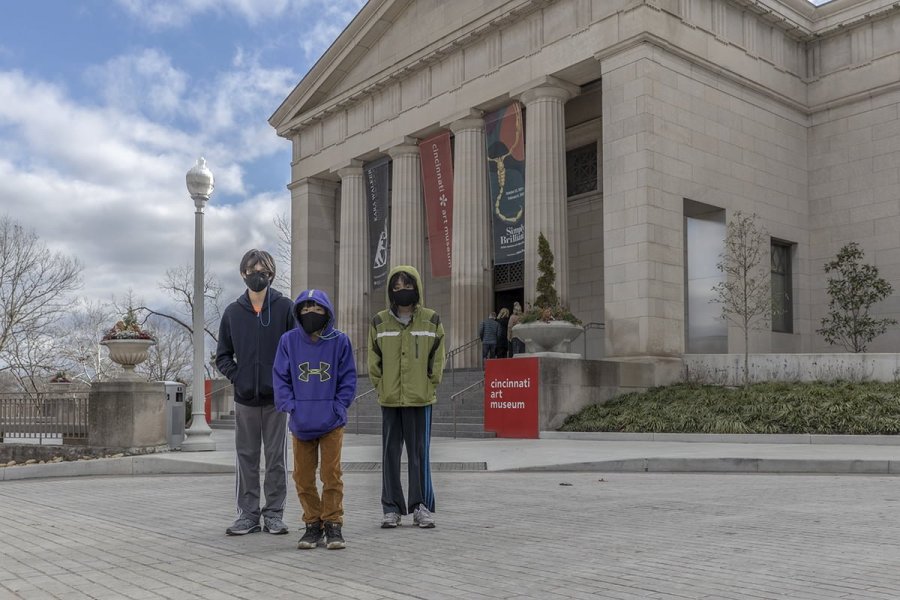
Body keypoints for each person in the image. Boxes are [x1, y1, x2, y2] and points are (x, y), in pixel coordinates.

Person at [216, 249, 295, 536]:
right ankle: (247, 515)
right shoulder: (233, 313)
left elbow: (295, 351)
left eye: (263, 270)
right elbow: (223, 355)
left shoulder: (286, 308)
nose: (257, 275)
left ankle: (274, 514)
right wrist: (240, 377)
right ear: (243, 273)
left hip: (276, 400)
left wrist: (284, 382)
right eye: (252, 270)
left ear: (271, 274)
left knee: (276, 459)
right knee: (246, 458)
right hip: (245, 400)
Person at [273, 290, 357, 550]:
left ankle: (333, 523)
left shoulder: (340, 341)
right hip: (301, 421)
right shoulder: (288, 341)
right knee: (303, 476)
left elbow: (348, 378)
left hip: (331, 420)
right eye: (305, 309)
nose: (311, 314)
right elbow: (281, 377)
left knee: (331, 474)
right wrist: (291, 406)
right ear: (298, 313)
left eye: (317, 309)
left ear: (327, 312)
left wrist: (339, 406)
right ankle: (312, 524)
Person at [368, 265, 445, 529]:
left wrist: (429, 384)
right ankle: (391, 508)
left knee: (418, 454)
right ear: (390, 291)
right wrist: (381, 386)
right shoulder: (379, 322)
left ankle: (420, 506)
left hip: (419, 399)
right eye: (397, 287)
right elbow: (373, 361)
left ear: (417, 288)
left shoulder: (431, 320)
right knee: (390, 454)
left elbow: (438, 358)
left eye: (407, 286)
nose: (402, 291)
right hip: (390, 398)